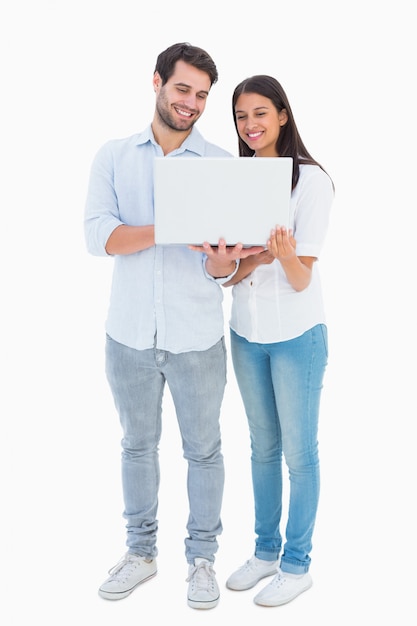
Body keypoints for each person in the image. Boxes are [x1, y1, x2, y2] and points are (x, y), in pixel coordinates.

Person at [83, 43, 258, 610]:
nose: (192, 104)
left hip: (196, 338)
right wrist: (168, 227)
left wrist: (220, 258)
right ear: (157, 81)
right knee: (137, 446)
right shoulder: (114, 156)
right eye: (183, 89)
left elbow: (222, 272)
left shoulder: (220, 166)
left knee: (204, 449)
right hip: (128, 334)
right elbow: (100, 238)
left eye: (203, 95)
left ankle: (202, 560)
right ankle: (140, 554)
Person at [196, 75, 334, 607]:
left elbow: (301, 278)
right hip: (247, 334)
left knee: (300, 453)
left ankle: (297, 564)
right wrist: (228, 261)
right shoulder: (237, 179)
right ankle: (265, 551)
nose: (249, 126)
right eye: (239, 117)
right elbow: (230, 276)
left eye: (259, 114)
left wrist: (281, 253)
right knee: (262, 448)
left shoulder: (312, 182)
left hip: (297, 335)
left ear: (282, 114)